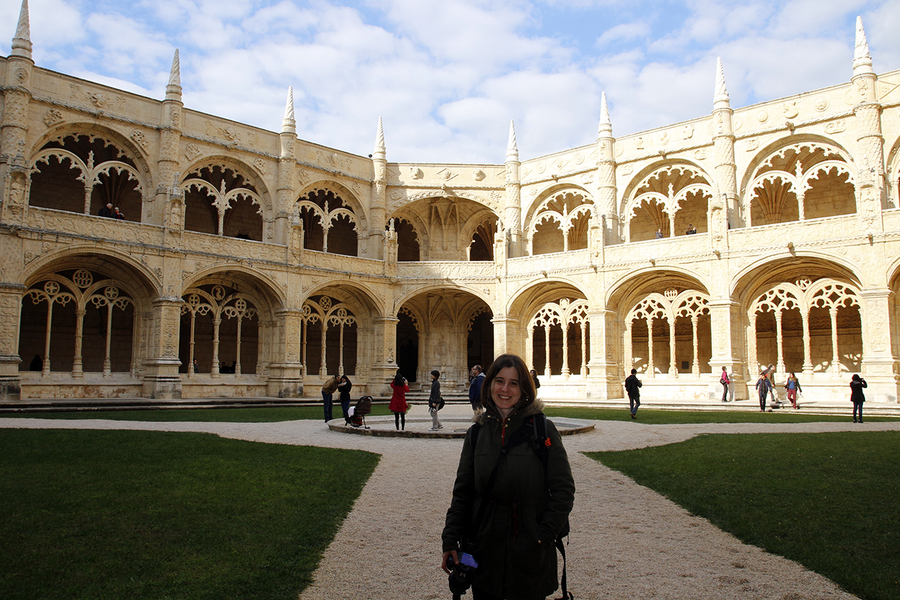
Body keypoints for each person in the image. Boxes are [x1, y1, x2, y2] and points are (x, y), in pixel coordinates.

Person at [441, 353, 575, 600]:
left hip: (530, 553)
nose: (505, 389)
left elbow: (564, 491)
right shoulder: (477, 434)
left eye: (514, 383)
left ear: (524, 388)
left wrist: (541, 537)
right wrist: (450, 539)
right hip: (484, 549)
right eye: (499, 381)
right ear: (489, 383)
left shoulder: (542, 429)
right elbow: (463, 492)